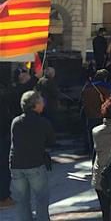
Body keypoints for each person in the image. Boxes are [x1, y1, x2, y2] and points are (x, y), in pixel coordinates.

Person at [10, 91, 55, 221]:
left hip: (16, 164)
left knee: (21, 201)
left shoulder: (16, 122)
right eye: (41, 102)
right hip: (35, 163)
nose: (43, 104)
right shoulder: (43, 122)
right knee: (41, 199)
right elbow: (51, 141)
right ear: (35, 105)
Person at [81, 69, 111, 156]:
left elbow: (82, 100)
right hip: (101, 115)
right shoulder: (106, 88)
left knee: (91, 135)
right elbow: (109, 101)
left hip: (89, 115)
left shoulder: (87, 87)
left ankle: (91, 151)